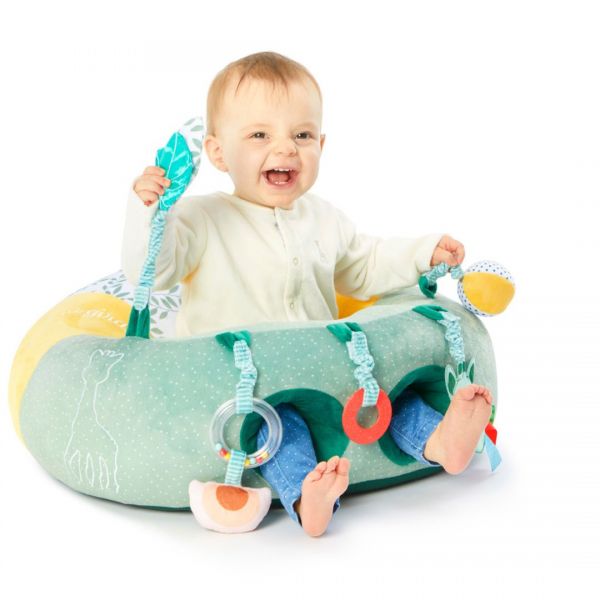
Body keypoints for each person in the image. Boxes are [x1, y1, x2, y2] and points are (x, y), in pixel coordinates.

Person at [121, 51, 493, 537]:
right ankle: (307, 498)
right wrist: (150, 211)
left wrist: (423, 254)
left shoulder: (323, 218)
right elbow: (152, 271)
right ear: (218, 152)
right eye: (259, 135)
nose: (285, 148)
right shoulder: (200, 219)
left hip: (327, 372)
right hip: (248, 385)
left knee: (385, 397)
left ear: (321, 143)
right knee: (282, 428)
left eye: (301, 135)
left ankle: (439, 442)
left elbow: (364, 266)